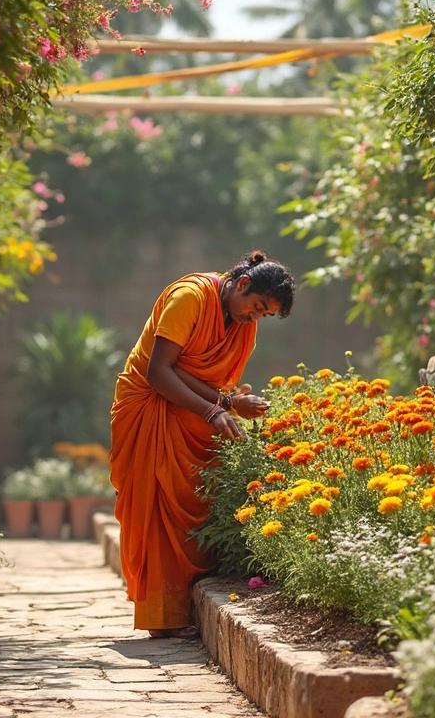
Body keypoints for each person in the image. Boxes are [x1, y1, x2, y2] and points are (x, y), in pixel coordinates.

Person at [109, 250, 294, 638]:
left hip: (189, 412)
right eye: (257, 307)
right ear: (241, 283)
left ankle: (185, 606)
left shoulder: (242, 322)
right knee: (162, 510)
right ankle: (163, 618)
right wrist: (215, 410)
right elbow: (159, 372)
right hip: (150, 407)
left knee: (198, 505)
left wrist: (228, 403)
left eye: (264, 315)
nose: (255, 318)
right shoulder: (190, 298)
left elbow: (192, 376)